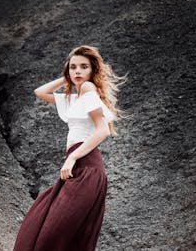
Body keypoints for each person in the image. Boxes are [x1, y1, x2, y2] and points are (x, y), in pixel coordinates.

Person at [13, 45, 126, 251]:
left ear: (93, 70)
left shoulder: (88, 90)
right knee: (45, 228)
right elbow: (40, 92)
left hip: (86, 169)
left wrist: (72, 157)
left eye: (84, 67)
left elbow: (103, 131)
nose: (78, 71)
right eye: (73, 67)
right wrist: (67, 78)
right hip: (80, 170)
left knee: (51, 236)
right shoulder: (77, 98)